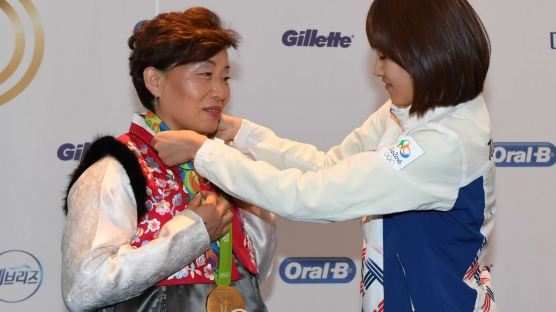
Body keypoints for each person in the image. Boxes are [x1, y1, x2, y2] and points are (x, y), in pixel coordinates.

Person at [152, 0, 496, 311]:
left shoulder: (441, 144)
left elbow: (312, 197)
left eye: (385, 56)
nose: (377, 70)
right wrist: (243, 135)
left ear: (424, 52)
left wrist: (205, 153)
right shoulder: (409, 111)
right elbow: (330, 166)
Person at [61, 7, 276, 312]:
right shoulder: (116, 168)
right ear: (154, 81)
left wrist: (253, 188)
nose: (220, 92)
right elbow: (83, 288)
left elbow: (255, 272)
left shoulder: (226, 163)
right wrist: (192, 232)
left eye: (225, 77)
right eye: (205, 74)